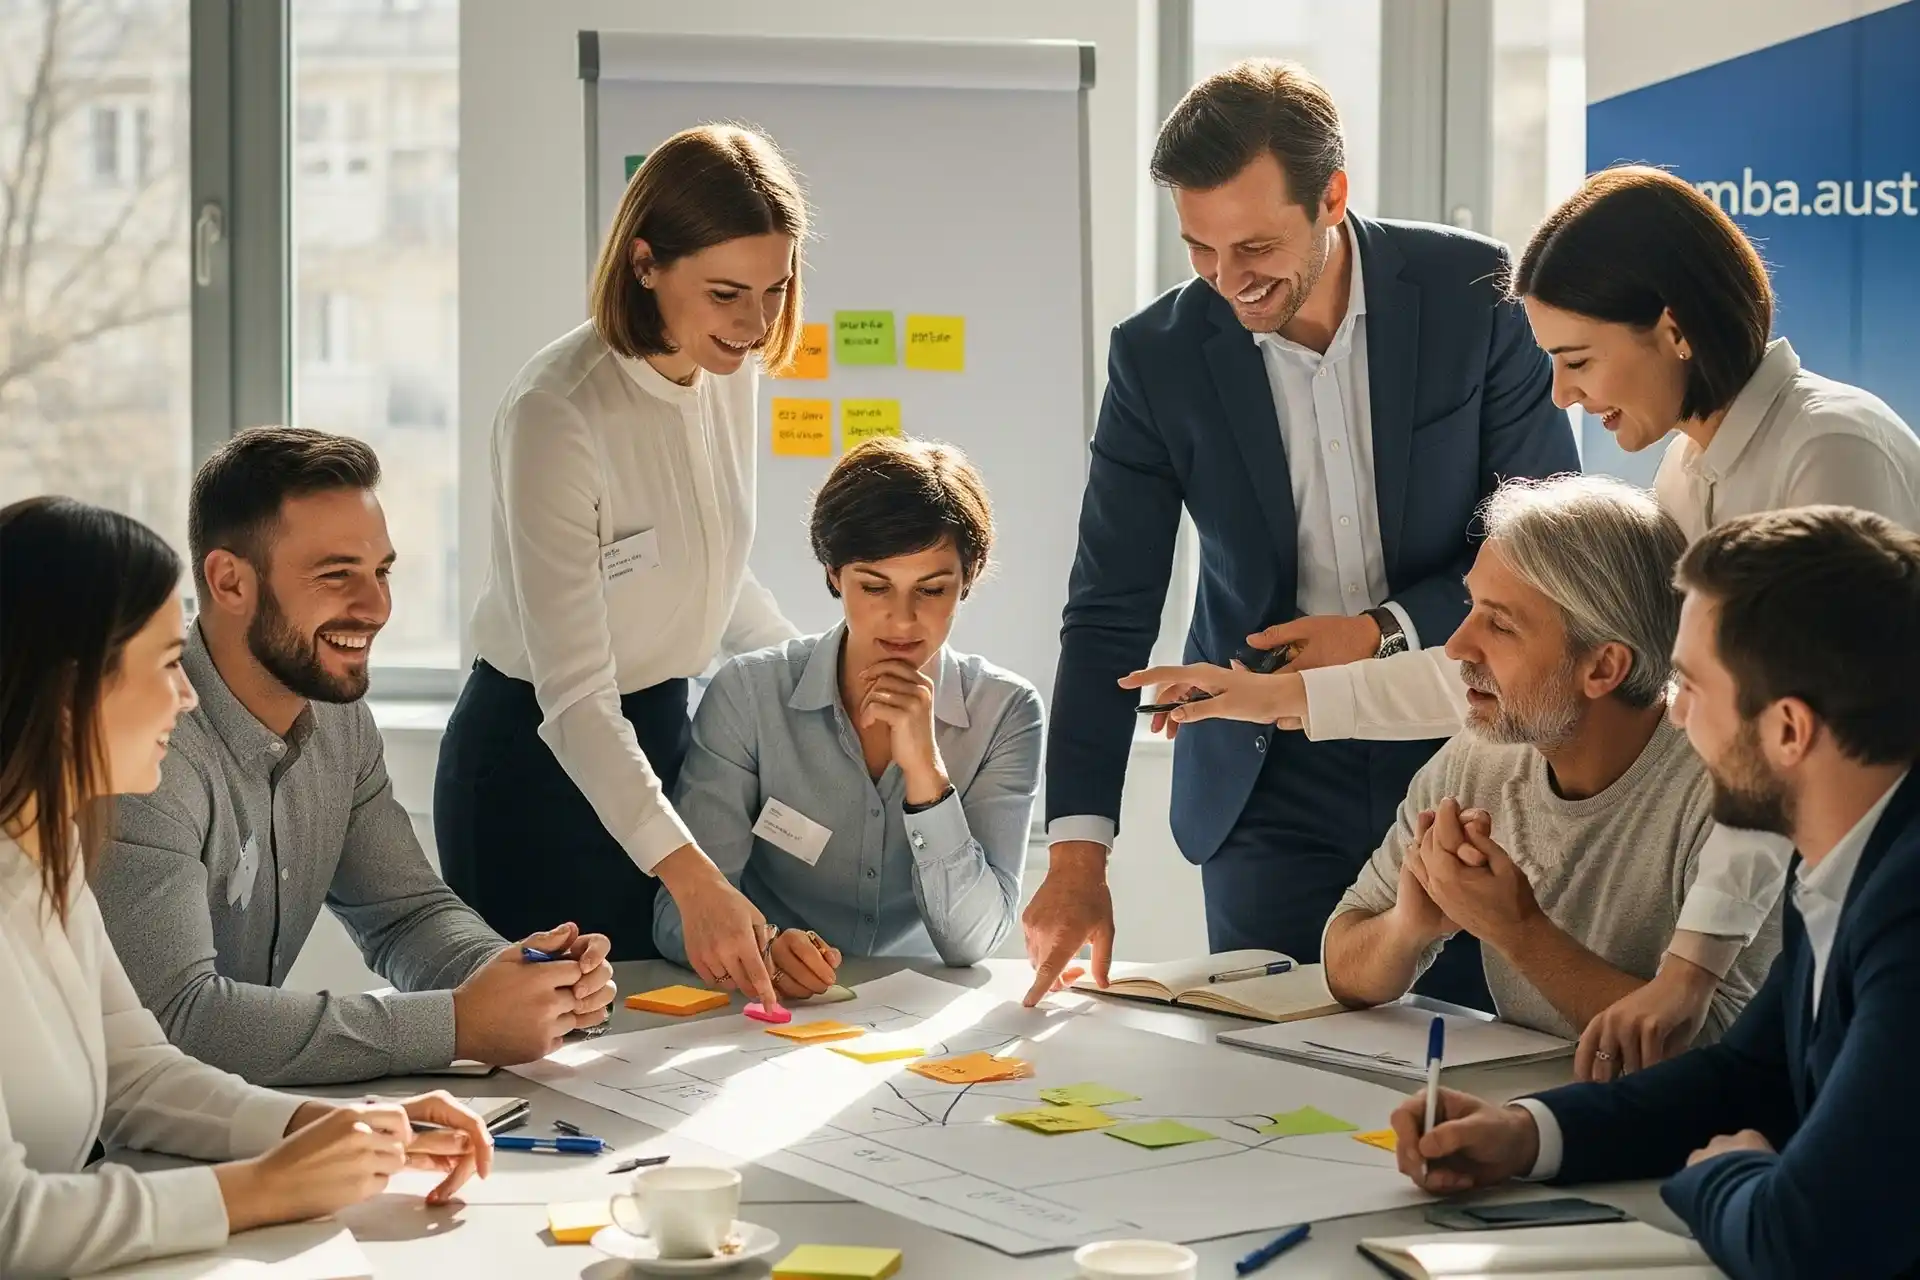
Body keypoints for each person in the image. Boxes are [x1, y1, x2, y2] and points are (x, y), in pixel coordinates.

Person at [1121, 164, 1920, 1074]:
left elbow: (1801, 752)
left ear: (1674, 328)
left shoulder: (1828, 453)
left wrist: (1691, 967)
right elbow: (1515, 666)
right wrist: (1290, 697)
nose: (1561, 398)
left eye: (1577, 360)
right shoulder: (1691, 473)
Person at [1022, 58, 1578, 1006]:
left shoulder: (1474, 294)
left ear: (1333, 196)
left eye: (1255, 248)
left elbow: (1550, 541)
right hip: (1262, 772)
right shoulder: (1156, 358)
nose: (1227, 280)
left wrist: (1379, 632)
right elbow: (1110, 607)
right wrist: (1079, 851)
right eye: (1200, 248)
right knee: (1266, 1070)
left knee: (1475, 1057)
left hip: (1462, 735)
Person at [1388, 506, 1920, 1280]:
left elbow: (1808, 1239)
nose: (1672, 710)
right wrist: (1527, 1133)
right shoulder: (1847, 856)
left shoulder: (1907, 908)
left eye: (1692, 686)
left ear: (1789, 732)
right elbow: (1753, 1077)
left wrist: (1720, 1175)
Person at [0, 496, 494, 1278]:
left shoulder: (46, 853)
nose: (189, 695)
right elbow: (10, 1224)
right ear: (70, 693)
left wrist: (333, 1126)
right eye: (167, 665)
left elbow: (137, 1072)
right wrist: (256, 1191)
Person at [93, 429, 616, 1088]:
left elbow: (407, 914)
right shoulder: (143, 748)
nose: (376, 608)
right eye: (337, 575)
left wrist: (522, 981)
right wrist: (454, 1024)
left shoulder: (337, 714)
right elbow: (176, 1021)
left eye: (382, 572)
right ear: (229, 582)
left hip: (221, 1121)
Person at [438, 122, 806, 1001]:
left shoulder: (728, 368)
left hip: (659, 741)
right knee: (563, 1058)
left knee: (667, 1039)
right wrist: (691, 875)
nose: (755, 326)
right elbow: (574, 699)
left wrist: (824, 677)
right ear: (645, 263)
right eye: (726, 293)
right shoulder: (557, 414)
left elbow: (710, 575)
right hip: (537, 766)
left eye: (775, 291)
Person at [1314, 476, 1775, 1040]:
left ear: (1604, 668)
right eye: (1472, 606)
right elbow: (1342, 959)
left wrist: (1519, 930)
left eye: (1501, 624)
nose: (1457, 645)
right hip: (1533, 1111)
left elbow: (1720, 1052)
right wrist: (1408, 927)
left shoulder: (1735, 795)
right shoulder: (1480, 758)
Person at [656, 439, 1042, 991]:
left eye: (932, 590)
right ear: (834, 573)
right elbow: (676, 915)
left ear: (969, 578)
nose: (902, 619)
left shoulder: (1006, 711)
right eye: (874, 586)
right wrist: (761, 945)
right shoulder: (748, 693)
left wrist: (926, 774)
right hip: (764, 1010)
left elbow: (973, 942)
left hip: (916, 1016)